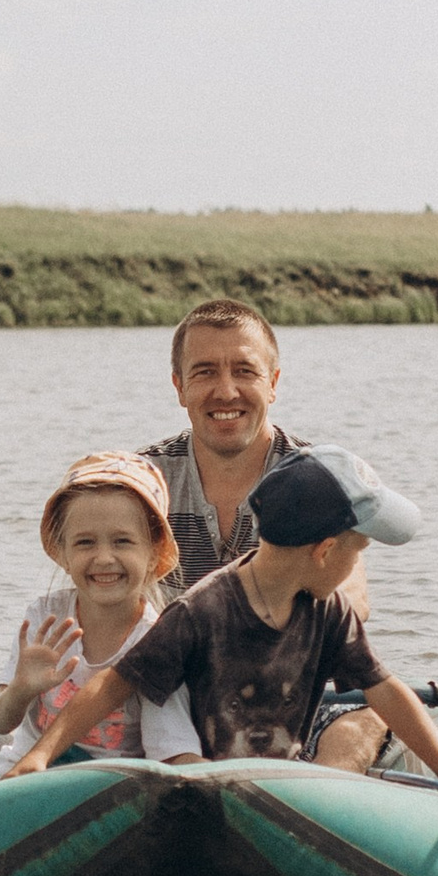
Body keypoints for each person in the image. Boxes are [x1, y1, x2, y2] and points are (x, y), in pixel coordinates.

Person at [2, 445, 438, 799]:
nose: (357, 564)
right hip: (209, 778)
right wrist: (44, 752)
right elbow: (114, 686)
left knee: (359, 729)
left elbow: (383, 689)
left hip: (276, 776)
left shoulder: (328, 609)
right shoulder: (200, 611)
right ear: (324, 551)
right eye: (358, 550)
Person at [140, 298, 385, 768]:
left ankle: (313, 812)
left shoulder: (318, 476)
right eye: (205, 372)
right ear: (179, 387)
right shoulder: (144, 481)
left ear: (272, 384)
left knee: (365, 720)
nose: (226, 391)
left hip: (289, 693)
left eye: (245, 371)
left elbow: (354, 597)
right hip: (173, 693)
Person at [0, 452, 202, 775]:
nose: (104, 558)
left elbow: (170, 751)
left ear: (153, 550)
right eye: (85, 543)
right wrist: (21, 688)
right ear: (63, 551)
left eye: (122, 542)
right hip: (28, 776)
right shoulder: (46, 617)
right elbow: (1, 722)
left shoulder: (157, 641)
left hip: (109, 790)